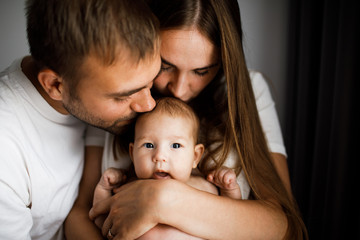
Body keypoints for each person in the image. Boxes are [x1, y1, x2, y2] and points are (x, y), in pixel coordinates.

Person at [89, 0, 308, 239]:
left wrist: (162, 199)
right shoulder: (119, 93)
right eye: (165, 66)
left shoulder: (249, 93)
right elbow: (81, 216)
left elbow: (286, 228)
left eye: (201, 71)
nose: (180, 90)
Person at [0, 0, 161, 239]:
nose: (149, 104)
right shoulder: (6, 151)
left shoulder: (86, 83)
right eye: (123, 96)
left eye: (151, 82)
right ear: (56, 85)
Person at [93, 97, 241, 239]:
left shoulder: (205, 188)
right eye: (149, 145)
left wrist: (229, 189)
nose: (160, 156)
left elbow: (232, 220)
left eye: (175, 145)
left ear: (195, 156)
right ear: (133, 153)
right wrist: (104, 189)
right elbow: (102, 221)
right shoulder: (128, 190)